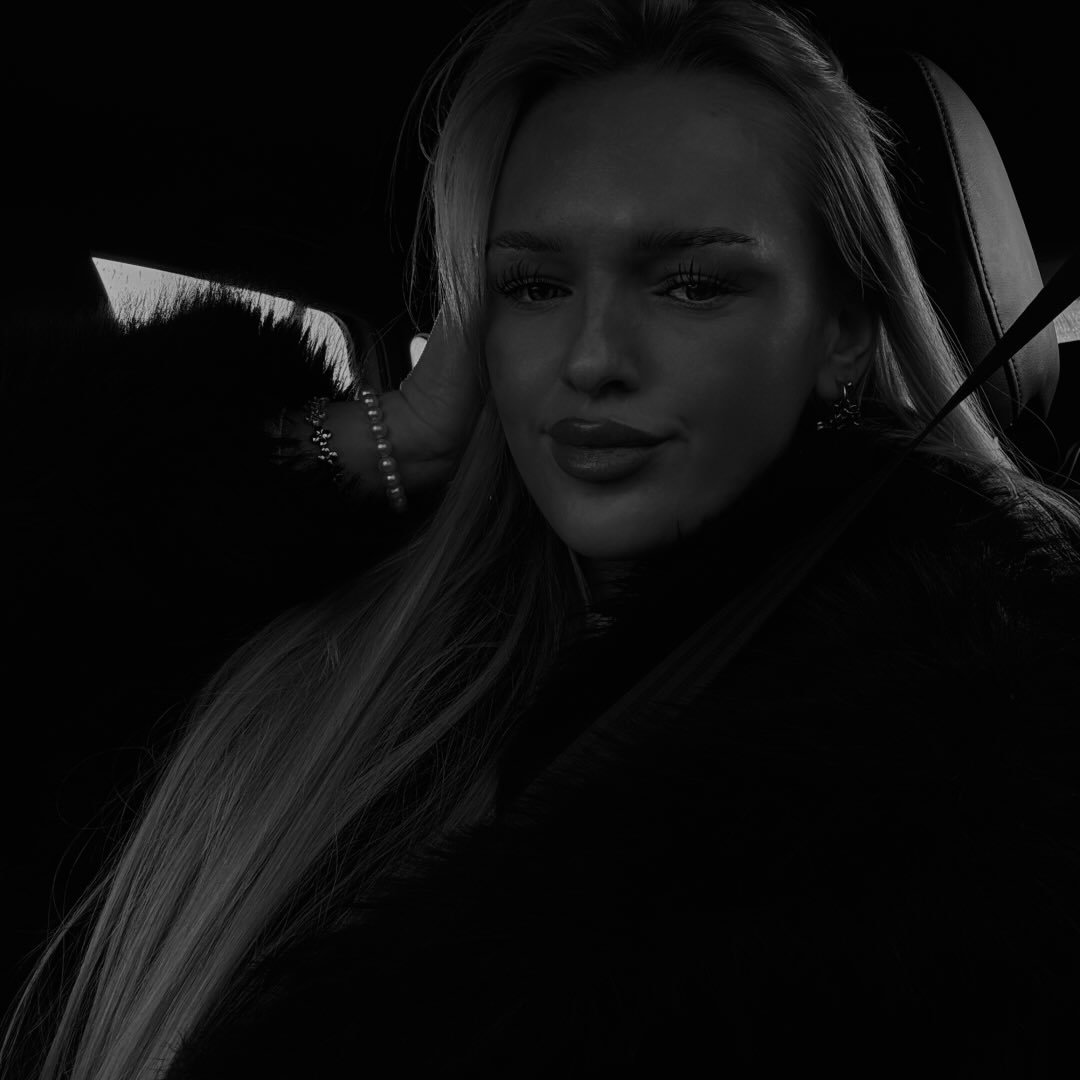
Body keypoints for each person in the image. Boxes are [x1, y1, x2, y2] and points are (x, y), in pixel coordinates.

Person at [5, 0, 1080, 1075]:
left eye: (694, 284)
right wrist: (385, 438)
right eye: (534, 286)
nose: (592, 357)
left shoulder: (970, 774)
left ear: (840, 332)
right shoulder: (329, 640)